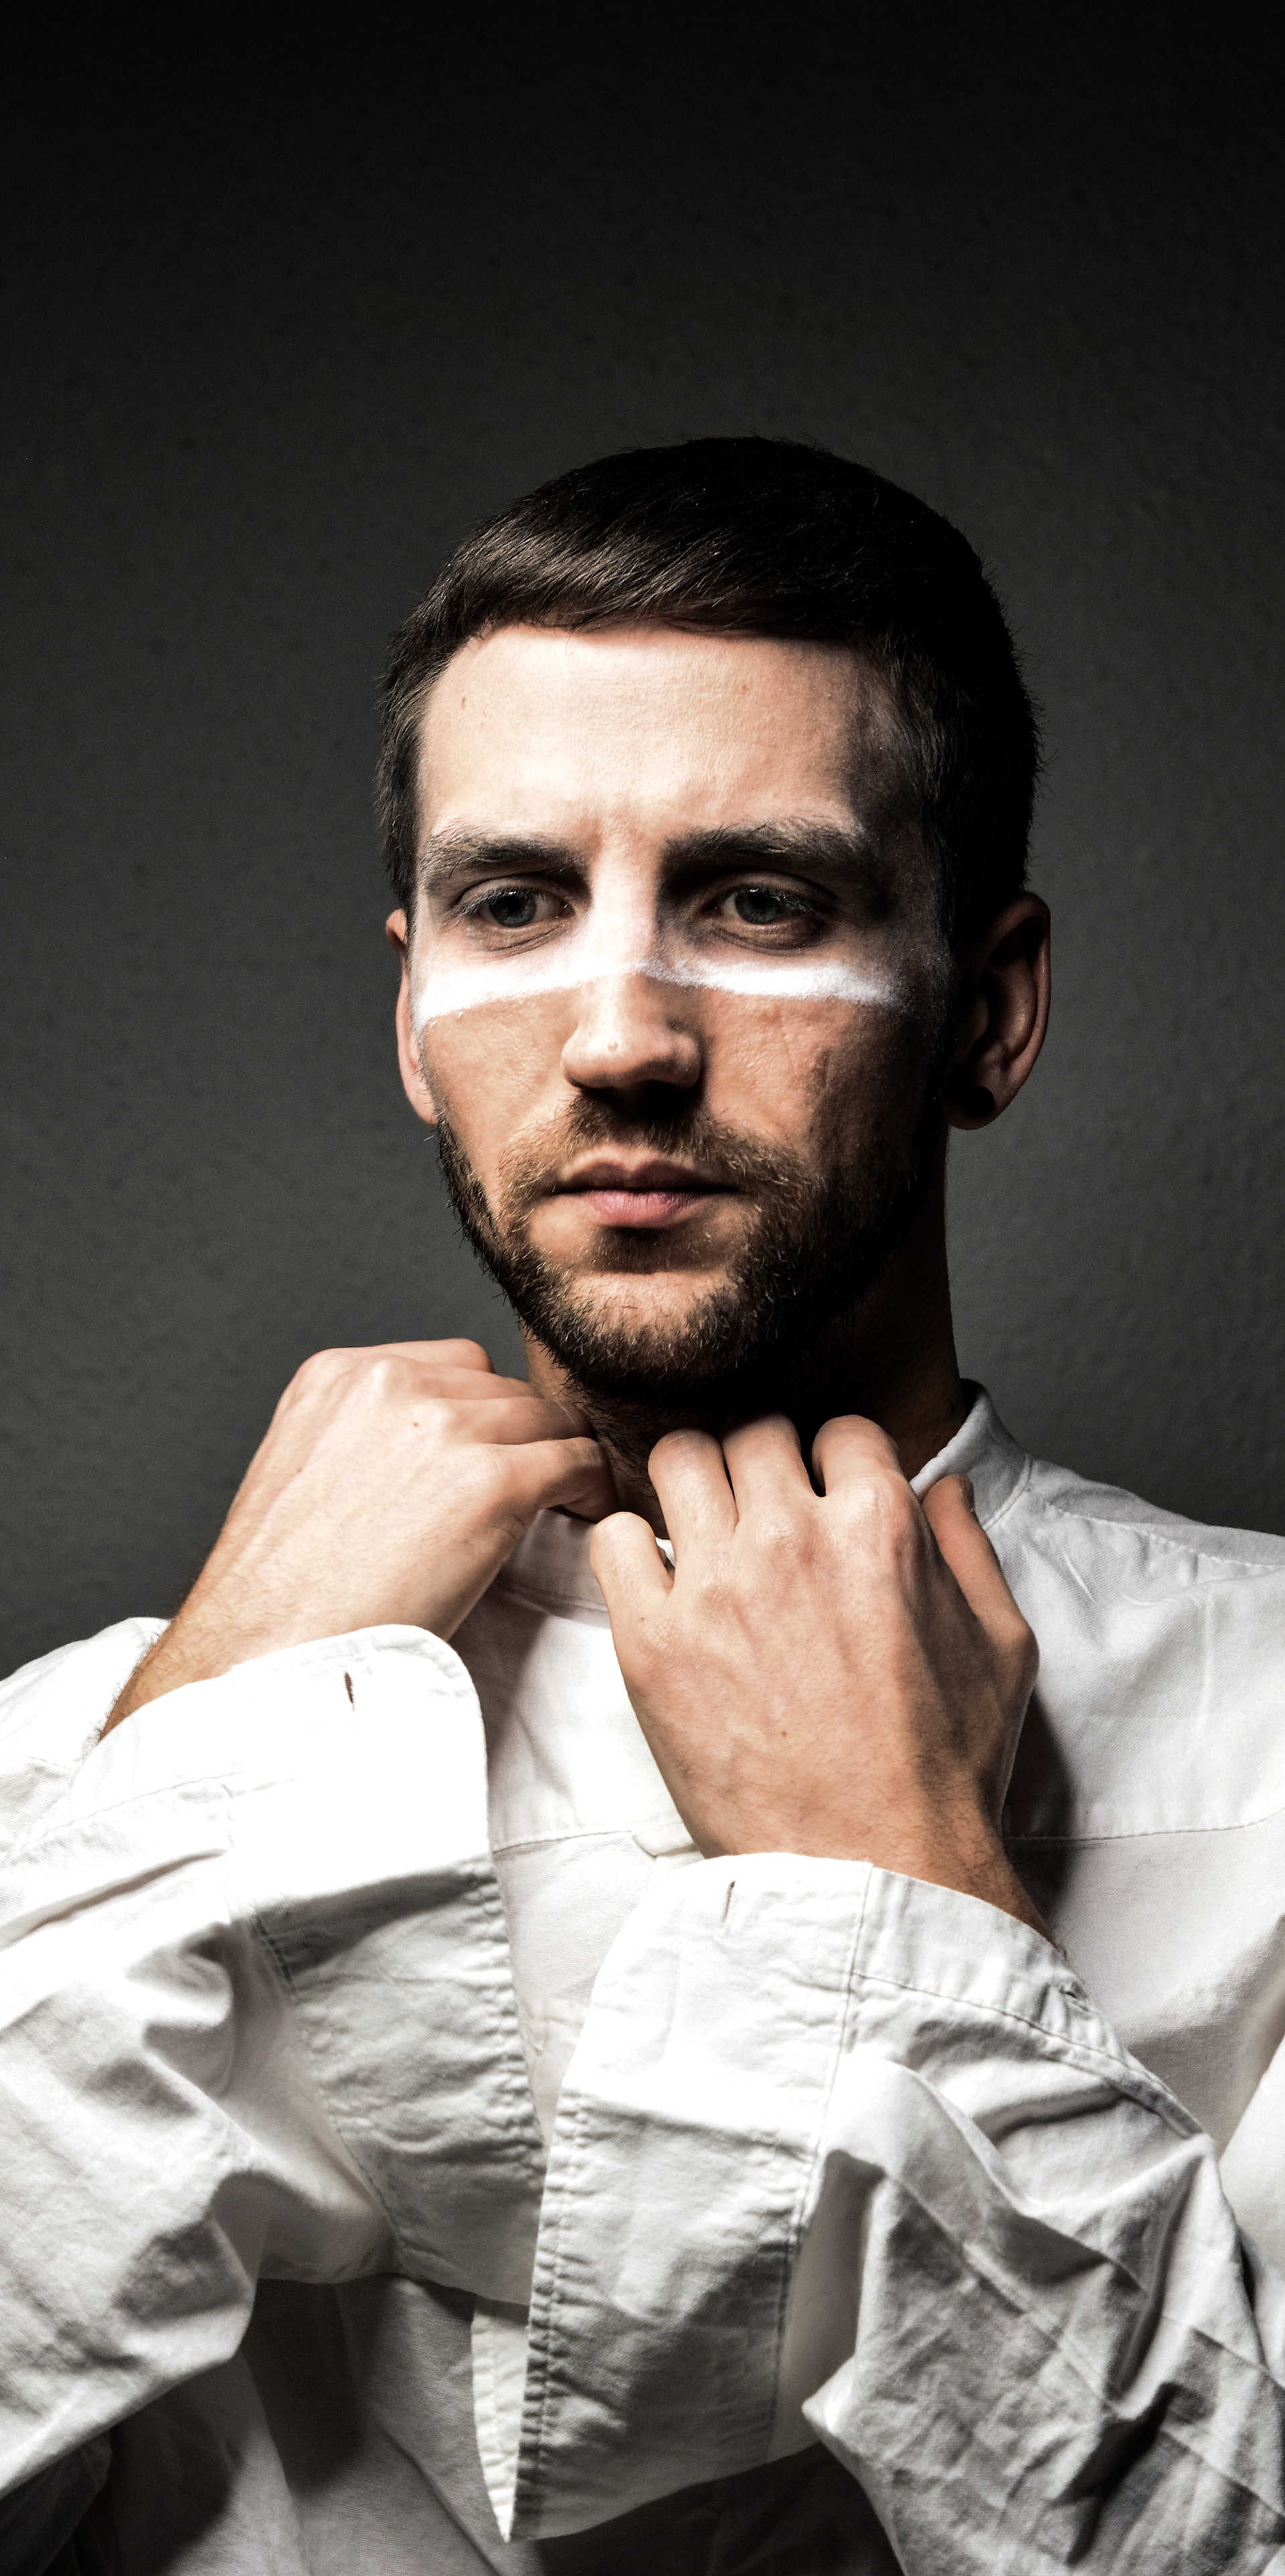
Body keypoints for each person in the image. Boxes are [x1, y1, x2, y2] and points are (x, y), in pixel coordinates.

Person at [3, 438, 1285, 2576]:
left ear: (989, 1010)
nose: (617, 1039)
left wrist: (912, 1896)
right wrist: (203, 1735)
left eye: (757, 899)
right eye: (514, 905)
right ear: (413, 1016)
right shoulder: (80, 1764)